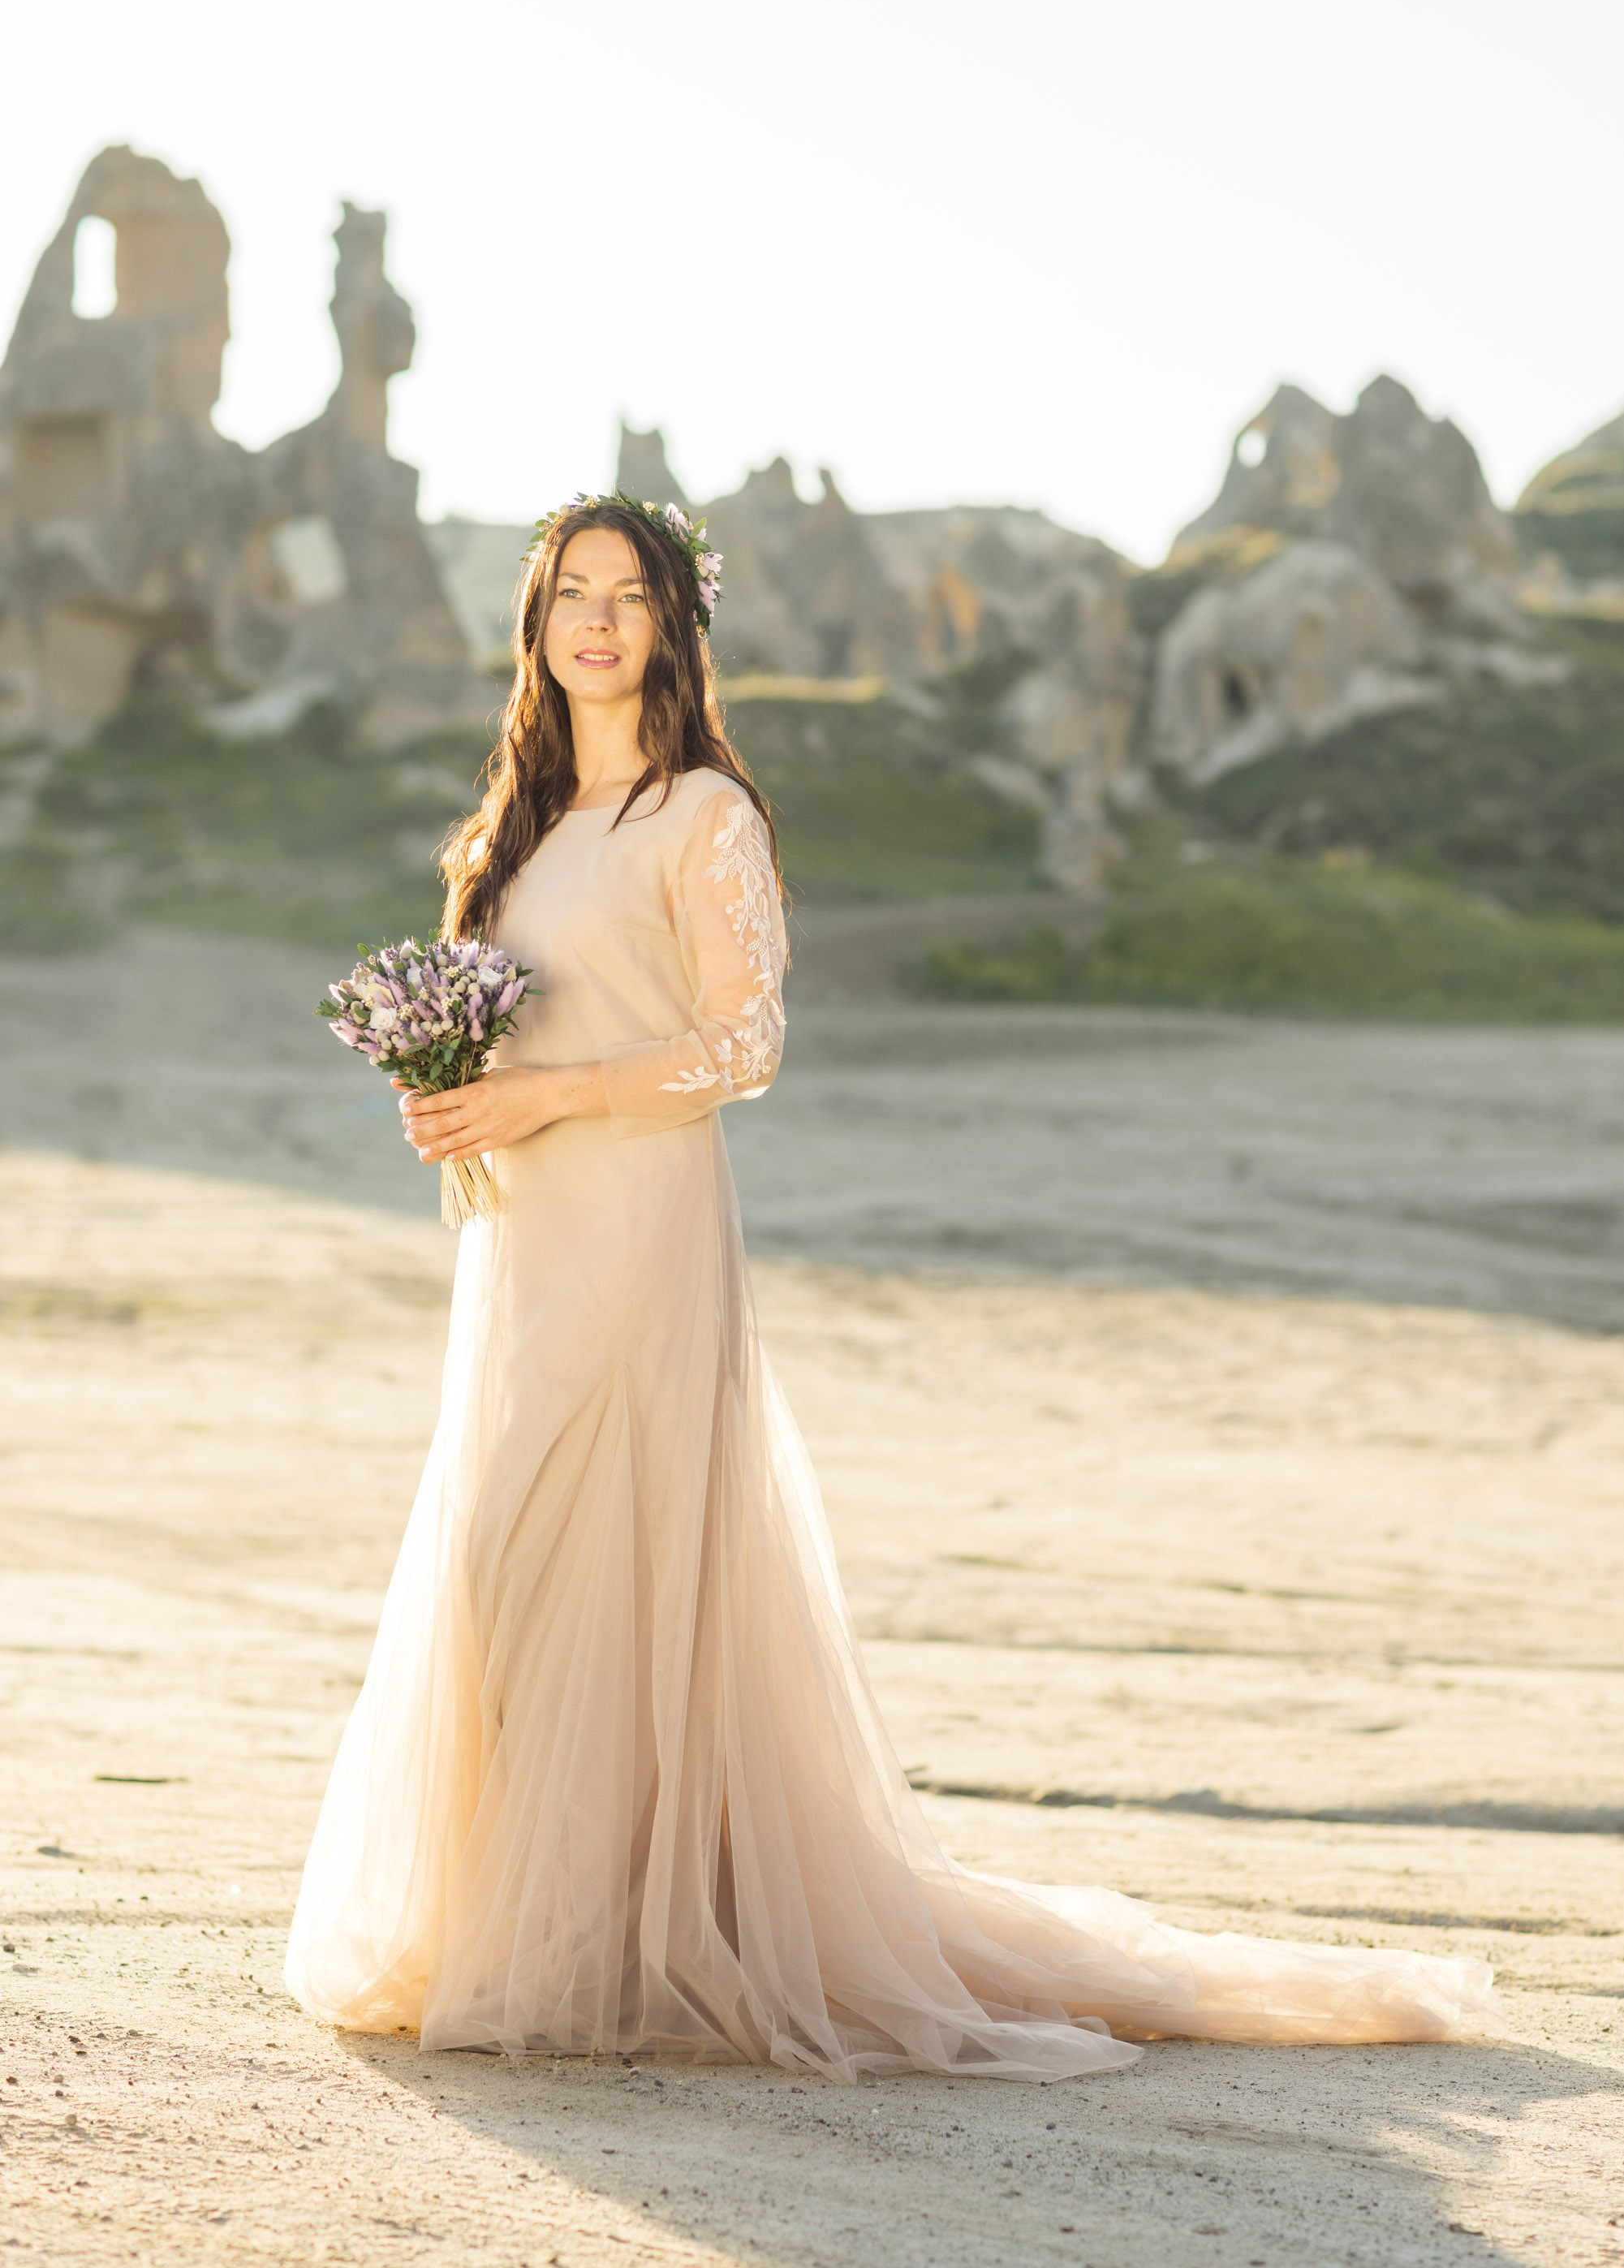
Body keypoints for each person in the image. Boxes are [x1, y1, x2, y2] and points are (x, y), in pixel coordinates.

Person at [284, 492, 1498, 2078]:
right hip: (520, 1242)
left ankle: (623, 1940)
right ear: (533, 626)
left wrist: (545, 1099)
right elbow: (522, 1029)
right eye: (567, 592)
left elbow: (746, 1044)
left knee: (616, 1560)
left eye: (626, 594)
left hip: (643, 1233)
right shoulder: (517, 826)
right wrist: (455, 1095)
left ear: (670, 624)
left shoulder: (700, 813)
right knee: (503, 1558)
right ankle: (539, 1917)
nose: (594, 619)